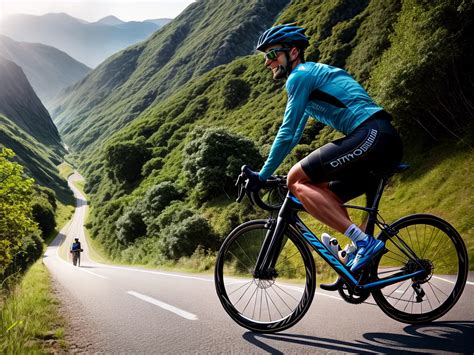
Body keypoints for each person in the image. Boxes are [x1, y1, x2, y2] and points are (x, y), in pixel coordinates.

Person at [247, 23, 403, 272]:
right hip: (379, 138)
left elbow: (286, 134)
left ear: (294, 52)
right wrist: (269, 172)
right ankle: (356, 249)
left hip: (372, 133)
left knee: (295, 178)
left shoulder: (301, 75)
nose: (268, 62)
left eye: (271, 54)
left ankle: (363, 242)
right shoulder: (308, 81)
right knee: (318, 187)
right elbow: (296, 135)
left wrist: (262, 175)